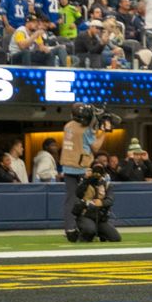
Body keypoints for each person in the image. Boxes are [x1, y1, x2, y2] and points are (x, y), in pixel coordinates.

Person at [61, 103, 109, 242]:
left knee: (70, 199)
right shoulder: (85, 130)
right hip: (82, 168)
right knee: (87, 198)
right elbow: (96, 146)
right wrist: (103, 131)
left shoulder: (68, 126)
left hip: (68, 167)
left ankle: (69, 228)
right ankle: (87, 228)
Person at [73, 163, 122, 242]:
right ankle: (80, 234)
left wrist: (102, 202)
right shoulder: (85, 182)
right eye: (95, 170)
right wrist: (87, 180)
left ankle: (100, 233)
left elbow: (110, 200)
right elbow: (78, 194)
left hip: (100, 218)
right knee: (90, 230)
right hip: (85, 215)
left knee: (115, 238)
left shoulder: (106, 184)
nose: (97, 173)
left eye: (100, 171)